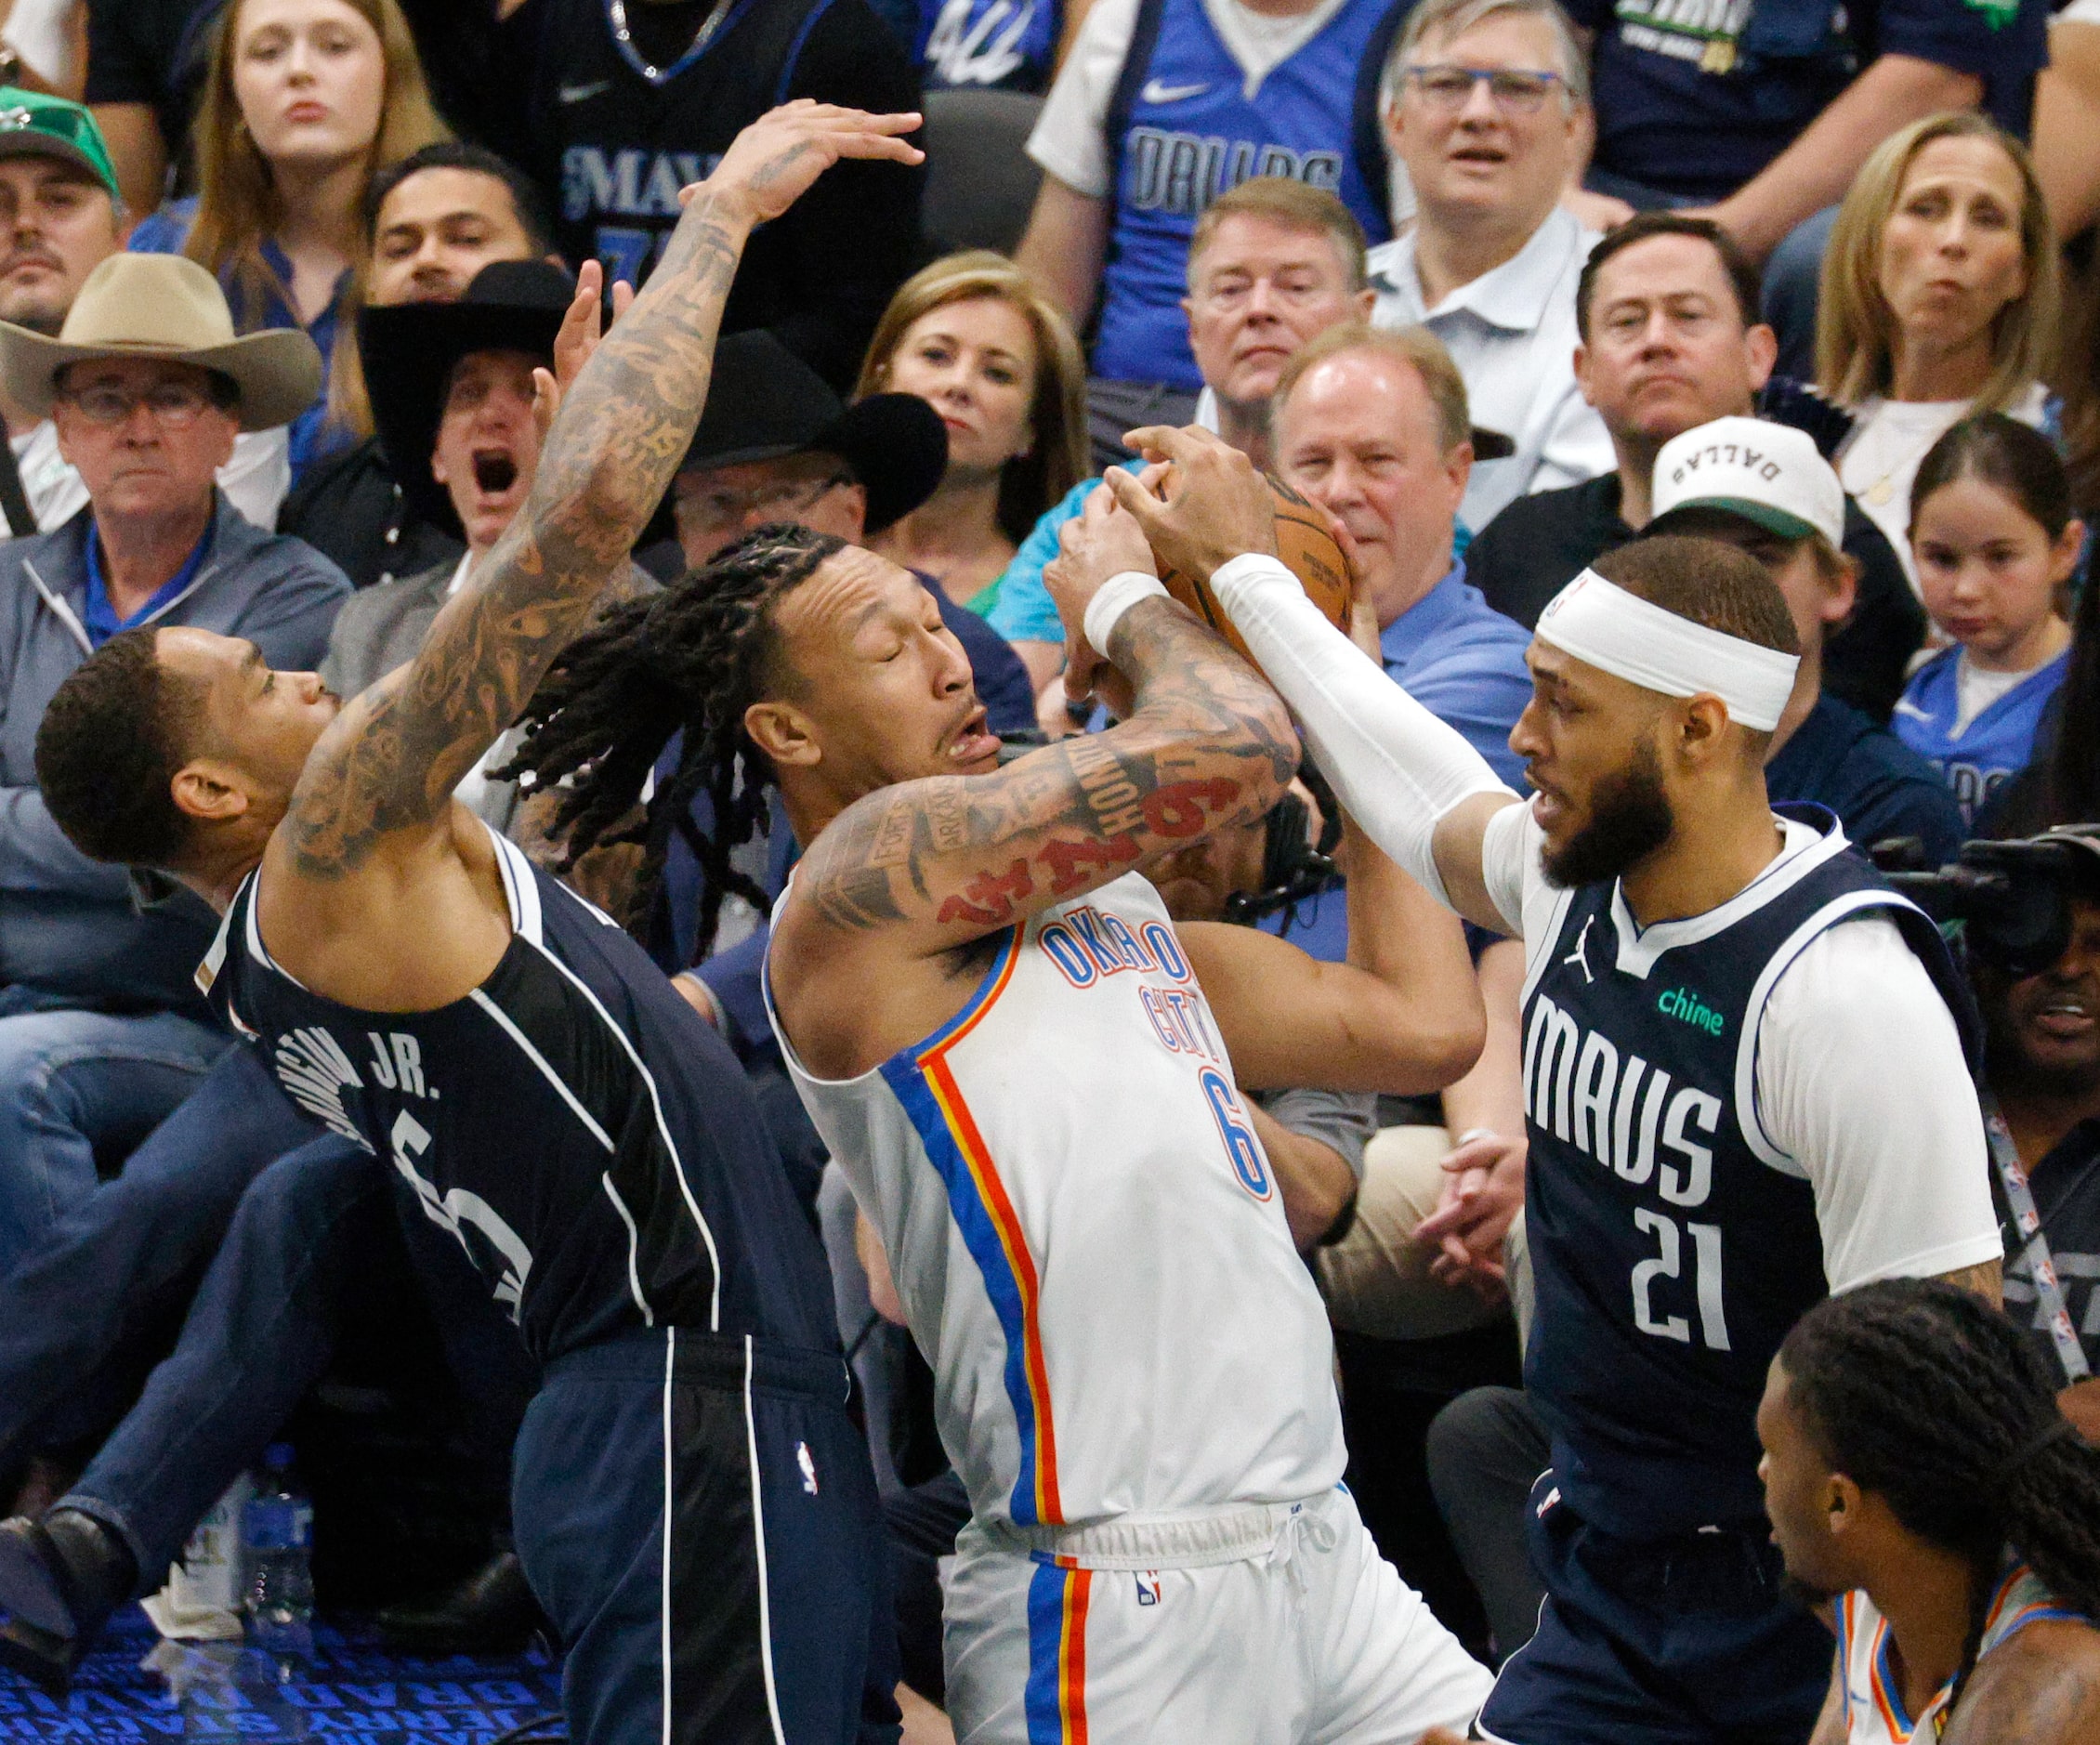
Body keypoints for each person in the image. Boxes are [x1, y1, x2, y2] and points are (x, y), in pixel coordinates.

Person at [21, 101, 927, 1744]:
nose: (306, 670)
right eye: (263, 683)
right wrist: (718, 215)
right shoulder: (337, 837)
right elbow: (567, 546)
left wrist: (583, 448)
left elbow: (565, 557)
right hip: (682, 1392)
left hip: (657, 1393)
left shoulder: (293, 926)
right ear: (214, 792)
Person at [495, 442, 1499, 1734]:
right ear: (789, 730)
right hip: (1119, 1596)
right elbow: (1235, 744)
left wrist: (1337, 663)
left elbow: (1421, 1024)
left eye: (936, 619)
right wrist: (1157, 603)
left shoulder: (1110, 898)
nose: (949, 657)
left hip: (1326, 1553)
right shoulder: (859, 895)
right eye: (885, 643)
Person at [1162, 426, 2004, 1740]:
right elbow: (1412, 780)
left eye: (1566, 702)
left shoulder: (1844, 996)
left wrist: (1877, 1692)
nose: (1523, 733)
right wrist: (1247, 578)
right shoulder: (1572, 886)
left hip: (1787, 1609)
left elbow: (1942, 1389)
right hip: (1611, 1556)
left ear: (1696, 730)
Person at [0, 251, 346, 1277]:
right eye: (105, 397)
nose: (138, 426)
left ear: (227, 427)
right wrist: (129, 846)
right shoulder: (5, 587)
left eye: (173, 396)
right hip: (22, 991)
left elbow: (226, 831)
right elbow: (155, 825)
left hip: (204, 1018)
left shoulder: (294, 599)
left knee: (13, 1079)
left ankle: (59, 1417)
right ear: (61, 429)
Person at [1463, 211, 1927, 723]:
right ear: (1585, 372)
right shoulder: (1520, 542)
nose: (1656, 340)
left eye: (1688, 316)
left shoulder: (1827, 546)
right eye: (1626, 321)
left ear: (1759, 355)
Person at [987, 177, 1376, 699]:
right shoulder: (1098, 509)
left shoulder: (1393, 507)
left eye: (1296, 287)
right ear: (1192, 328)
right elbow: (1010, 698)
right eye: (1231, 289)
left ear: (1361, 316)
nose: (1259, 309)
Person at [1011, 0, 1400, 458]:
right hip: (1120, 411)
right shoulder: (1131, 15)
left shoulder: (1406, 38)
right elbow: (1051, 286)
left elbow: (1426, 277)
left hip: (1318, 419)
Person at [491, 0, 924, 392]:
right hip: (564, 380)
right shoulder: (543, 27)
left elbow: (862, 308)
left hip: (761, 404)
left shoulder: (841, 41)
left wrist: (676, 387)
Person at [1758, 1279, 2100, 1744]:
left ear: (1840, 1502)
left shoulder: (2039, 1699)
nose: (1761, 1473)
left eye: (1771, 1451)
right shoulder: (1869, 1595)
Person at [125, 0, 450, 489]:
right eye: (268, 51)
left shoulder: (445, 258)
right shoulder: (168, 252)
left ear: (390, 76)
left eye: (334, 46)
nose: (299, 71)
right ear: (233, 94)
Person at [1646, 417, 1965, 865]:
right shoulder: (1603, 768)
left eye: (1760, 558)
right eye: (1687, 558)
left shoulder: (1895, 807)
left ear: (1837, 586)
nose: (1719, 586)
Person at [1558, 0, 2048, 282]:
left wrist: (1729, 232)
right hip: (1602, 178)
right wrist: (1559, 186)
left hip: (1822, 213)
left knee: (1815, 263)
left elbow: (1939, 79)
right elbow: (1546, 25)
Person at [0, 87, 292, 535]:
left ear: (125, 231)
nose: (25, 226)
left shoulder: (216, 403)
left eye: (60, 200)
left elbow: (192, 590)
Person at [1369, 0, 1610, 537]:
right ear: (1395, 122)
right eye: (1447, 84)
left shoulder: (1617, 320)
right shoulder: (1326, 301)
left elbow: (1560, 565)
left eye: (1518, 88)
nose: (1479, 114)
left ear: (1575, 128)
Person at [276, 139, 559, 592]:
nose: (427, 260)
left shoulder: (613, 498)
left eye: (465, 238)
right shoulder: (324, 494)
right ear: (368, 285)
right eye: (400, 248)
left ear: (549, 272)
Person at [1272, 322, 1532, 789]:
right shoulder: (1229, 636)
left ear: (1454, 477)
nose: (1340, 492)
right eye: (1313, 463)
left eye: (1376, 459)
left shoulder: (1498, 675)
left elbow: (1344, 826)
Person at [1819, 113, 2056, 596]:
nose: (1953, 241)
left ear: (2022, 272)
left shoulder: (2047, 441)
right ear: (1869, 240)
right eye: (1926, 208)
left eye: (1988, 218)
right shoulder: (1803, 426)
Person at [854, 249, 1087, 610]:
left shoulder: (1054, 594)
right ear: (880, 377)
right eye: (936, 355)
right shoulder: (804, 545)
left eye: (997, 373)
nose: (959, 385)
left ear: (1033, 428)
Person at [1895, 414, 2080, 826]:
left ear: (2065, 550)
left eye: (2001, 557)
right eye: (1941, 559)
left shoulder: (2084, 695)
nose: (1966, 590)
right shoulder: (1910, 683)